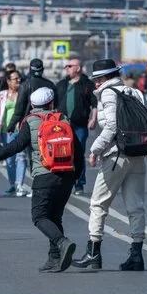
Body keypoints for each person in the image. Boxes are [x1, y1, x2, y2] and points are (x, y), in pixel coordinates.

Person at [73, 59, 147, 271]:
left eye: (97, 79)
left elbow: (112, 126)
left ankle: (93, 253)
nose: (96, 83)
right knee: (135, 206)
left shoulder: (107, 93)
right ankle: (136, 255)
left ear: (103, 78)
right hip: (138, 155)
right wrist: (144, 132)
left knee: (98, 204)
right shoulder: (134, 92)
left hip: (115, 156)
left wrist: (95, 150)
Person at [0, 87, 83, 272]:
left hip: (45, 177)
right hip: (66, 175)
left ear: (33, 104)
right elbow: (79, 151)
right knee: (55, 216)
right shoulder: (63, 120)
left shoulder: (31, 122)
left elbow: (14, 147)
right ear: (52, 103)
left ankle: (62, 242)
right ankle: (54, 258)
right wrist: (76, 176)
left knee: (39, 216)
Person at [56, 58, 97, 195]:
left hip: (80, 126)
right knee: (63, 154)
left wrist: (93, 119)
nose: (67, 68)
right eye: (66, 66)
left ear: (78, 68)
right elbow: (54, 104)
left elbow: (94, 103)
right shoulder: (61, 84)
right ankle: (63, 182)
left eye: (70, 66)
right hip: (62, 126)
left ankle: (79, 183)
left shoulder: (87, 84)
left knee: (78, 155)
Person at [0, 69, 28, 196]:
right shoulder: (2, 95)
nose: (18, 80)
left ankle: (20, 185)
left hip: (21, 130)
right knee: (9, 159)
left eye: (19, 78)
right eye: (15, 79)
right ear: (8, 81)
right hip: (5, 131)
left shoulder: (23, 93)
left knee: (21, 157)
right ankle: (12, 184)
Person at [7, 59, 57, 134]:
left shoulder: (24, 85)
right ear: (42, 70)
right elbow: (55, 105)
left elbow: (19, 110)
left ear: (30, 69)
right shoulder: (50, 85)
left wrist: (11, 126)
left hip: (28, 124)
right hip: (47, 123)